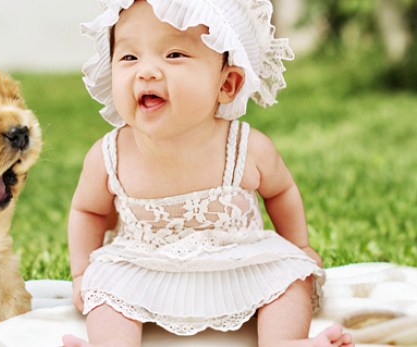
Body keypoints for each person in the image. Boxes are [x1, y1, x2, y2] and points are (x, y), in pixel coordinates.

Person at [62, 1, 354, 346]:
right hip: (143, 264)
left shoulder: (246, 147)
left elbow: (281, 191)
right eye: (129, 57)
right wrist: (82, 273)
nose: (147, 71)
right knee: (107, 286)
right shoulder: (110, 154)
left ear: (227, 84)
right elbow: (88, 211)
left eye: (173, 55)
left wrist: (300, 245)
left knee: (290, 279)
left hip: (238, 260)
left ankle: (285, 342)